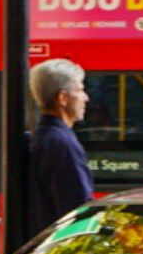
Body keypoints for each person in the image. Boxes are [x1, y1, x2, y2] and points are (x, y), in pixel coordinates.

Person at [20, 59, 93, 238]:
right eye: (80, 90)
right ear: (62, 98)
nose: (86, 97)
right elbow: (78, 210)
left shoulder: (43, 137)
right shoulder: (62, 144)